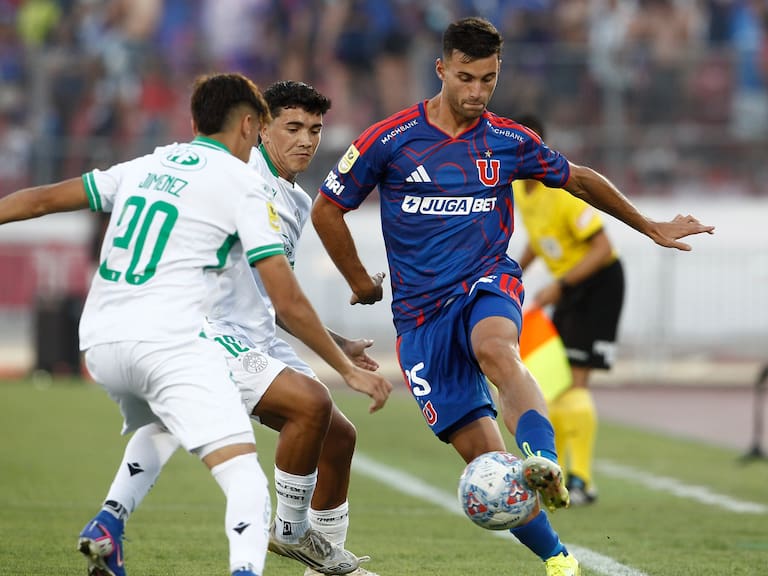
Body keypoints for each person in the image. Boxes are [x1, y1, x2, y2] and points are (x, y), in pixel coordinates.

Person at [311, 17, 714, 576]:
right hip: (420, 318)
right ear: (442, 70)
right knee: (484, 459)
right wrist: (358, 279)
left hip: (486, 281)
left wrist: (649, 225)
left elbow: (578, 177)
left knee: (498, 349)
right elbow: (328, 207)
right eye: (467, 78)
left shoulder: (507, 140)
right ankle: (560, 560)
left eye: (489, 80)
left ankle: (544, 461)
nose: (477, 92)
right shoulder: (389, 139)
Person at [0, 73, 387, 576]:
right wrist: (342, 367)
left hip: (198, 334)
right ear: (258, 128)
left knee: (338, 437)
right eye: (292, 127)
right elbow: (283, 296)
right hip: (207, 331)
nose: (307, 140)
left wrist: (337, 343)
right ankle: (287, 537)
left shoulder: (269, 192)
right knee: (298, 416)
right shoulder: (241, 179)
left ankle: (115, 523)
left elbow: (271, 297)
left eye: (315, 129)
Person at [512, 114, 624, 506]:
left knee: (575, 381)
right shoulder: (519, 189)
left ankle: (582, 481)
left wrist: (559, 285)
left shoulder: (560, 189)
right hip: (567, 290)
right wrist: (510, 273)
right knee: (555, 383)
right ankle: (560, 473)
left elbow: (603, 248)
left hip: (598, 285)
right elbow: (539, 240)